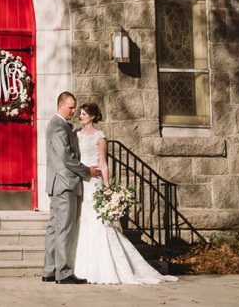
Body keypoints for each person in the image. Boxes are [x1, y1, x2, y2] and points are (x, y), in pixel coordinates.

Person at [73, 102, 178, 284]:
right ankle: (80, 267)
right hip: (81, 181)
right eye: (79, 113)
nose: (80, 116)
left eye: (83, 113)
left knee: (99, 224)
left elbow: (104, 163)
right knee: (83, 222)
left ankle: (104, 267)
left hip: (95, 182)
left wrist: (107, 188)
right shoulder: (76, 135)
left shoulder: (100, 137)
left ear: (92, 116)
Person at [42, 90, 100, 285]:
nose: (74, 111)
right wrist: (87, 171)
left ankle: (49, 270)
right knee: (64, 228)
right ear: (60, 106)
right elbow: (67, 158)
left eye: (75, 107)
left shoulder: (59, 125)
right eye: (71, 107)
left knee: (54, 228)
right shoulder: (59, 126)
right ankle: (63, 272)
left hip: (58, 183)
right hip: (65, 184)